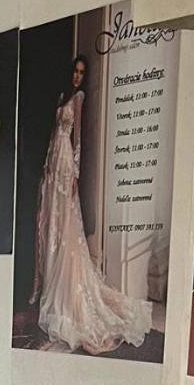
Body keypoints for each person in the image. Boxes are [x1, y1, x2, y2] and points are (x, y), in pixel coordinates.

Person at [29, 55, 153, 353]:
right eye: (75, 71)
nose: (78, 77)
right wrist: (47, 166)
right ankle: (49, 286)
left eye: (82, 73)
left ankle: (70, 294)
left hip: (67, 164)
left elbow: (79, 136)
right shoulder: (62, 95)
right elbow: (53, 134)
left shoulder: (80, 98)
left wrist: (75, 174)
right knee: (53, 226)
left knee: (67, 229)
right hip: (53, 161)